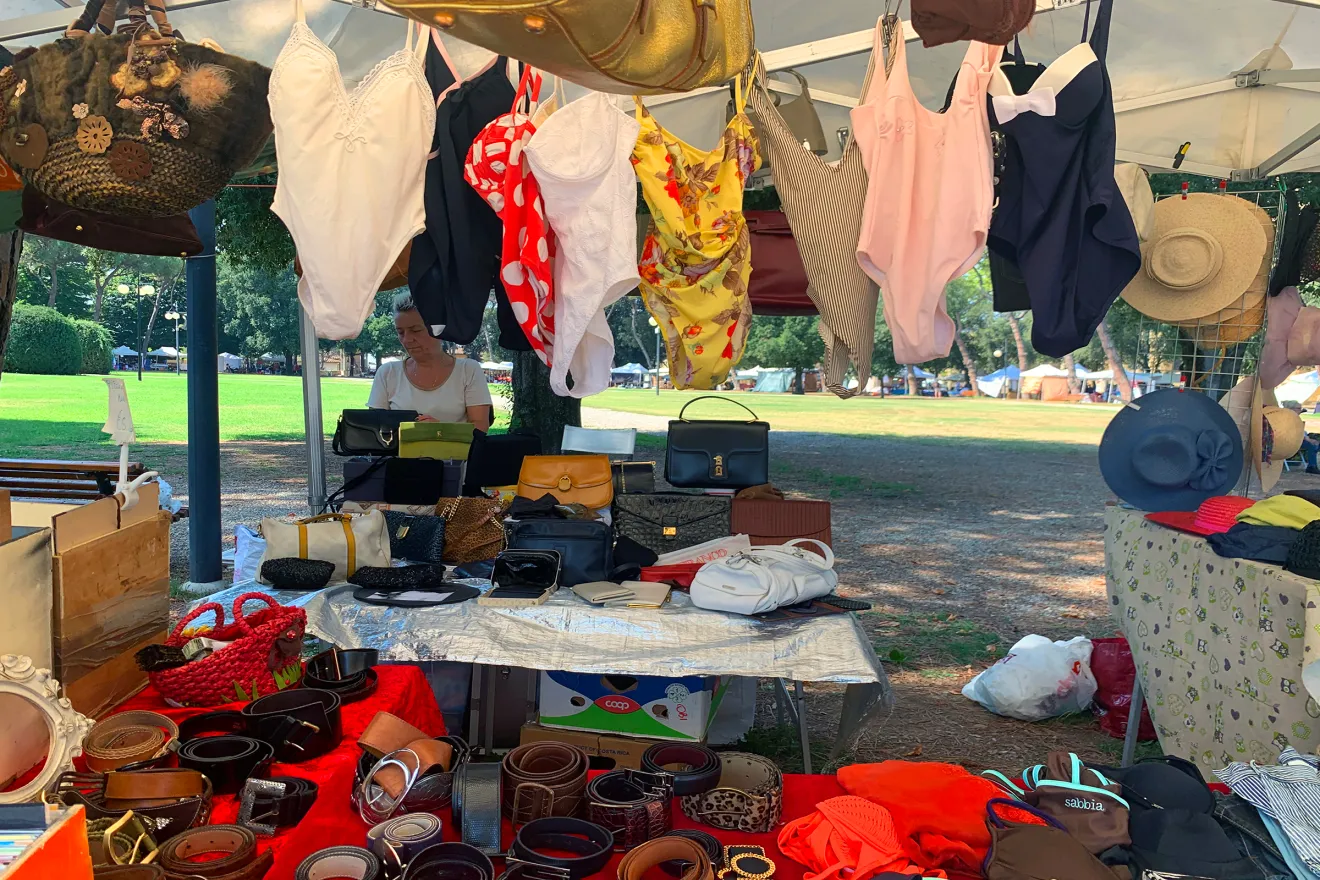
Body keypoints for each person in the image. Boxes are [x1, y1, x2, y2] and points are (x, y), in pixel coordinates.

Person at [367, 293, 493, 430]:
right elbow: (374, 427)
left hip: (454, 452)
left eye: (416, 330)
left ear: (438, 329)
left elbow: (480, 427)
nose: (407, 339)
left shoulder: (468, 370)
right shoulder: (387, 373)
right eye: (400, 332)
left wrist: (438, 432)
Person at [1282, 401, 1320, 475]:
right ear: (1291, 409)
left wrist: (1308, 438)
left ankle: (1312, 465)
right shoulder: (1287, 419)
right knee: (1312, 445)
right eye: (1298, 408)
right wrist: (1308, 439)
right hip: (1289, 442)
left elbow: (1302, 432)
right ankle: (1311, 466)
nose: (1300, 410)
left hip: (1298, 440)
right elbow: (1294, 432)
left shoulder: (1296, 418)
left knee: (1315, 444)